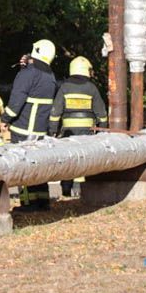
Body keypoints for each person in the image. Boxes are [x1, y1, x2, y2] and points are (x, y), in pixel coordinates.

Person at [3, 39, 58, 210]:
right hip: (40, 130)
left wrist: (5, 119)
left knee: (24, 166)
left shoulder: (28, 74)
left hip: (23, 129)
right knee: (38, 165)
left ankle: (28, 204)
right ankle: (42, 202)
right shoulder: (50, 76)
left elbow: (17, 99)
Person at [49, 56, 107, 196]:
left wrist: (52, 131)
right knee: (83, 158)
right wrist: (103, 131)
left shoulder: (64, 87)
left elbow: (55, 112)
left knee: (68, 158)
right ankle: (80, 189)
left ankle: (66, 188)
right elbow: (101, 113)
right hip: (87, 131)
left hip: (68, 131)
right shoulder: (91, 88)